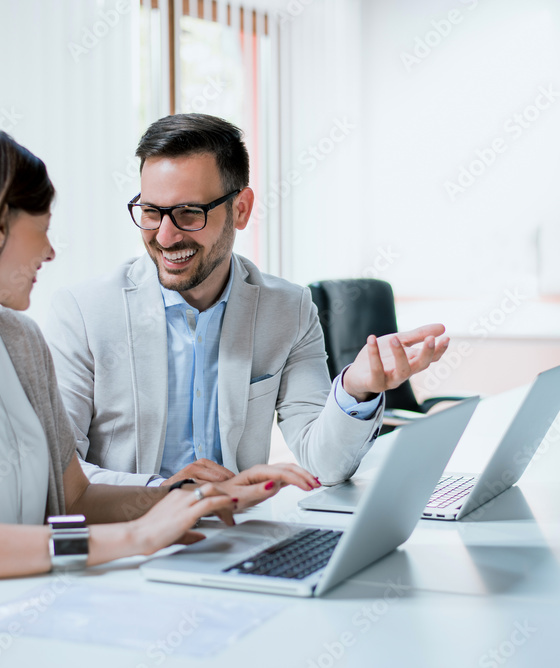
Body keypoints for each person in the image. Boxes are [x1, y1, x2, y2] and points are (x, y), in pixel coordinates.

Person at [0, 120, 319, 623]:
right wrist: (134, 537)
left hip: (11, 616)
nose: (50, 252)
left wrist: (192, 496)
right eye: (43, 229)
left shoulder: (19, 340)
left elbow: (74, 497)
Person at [42, 114, 450, 489]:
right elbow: (60, 471)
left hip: (235, 535)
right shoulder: (82, 313)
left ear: (240, 208)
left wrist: (356, 389)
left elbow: (324, 463)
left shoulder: (289, 310)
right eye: (151, 212)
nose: (165, 237)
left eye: (188, 213)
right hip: (128, 540)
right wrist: (173, 494)